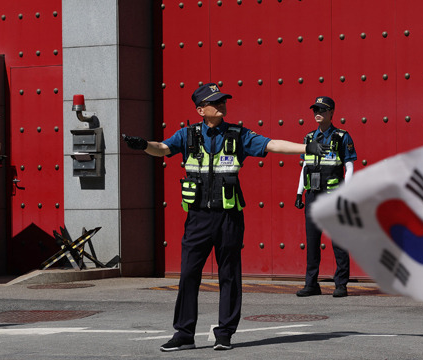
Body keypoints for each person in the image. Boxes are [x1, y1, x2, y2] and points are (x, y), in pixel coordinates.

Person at [123, 83, 328, 352]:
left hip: (229, 217)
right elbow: (162, 148)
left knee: (229, 275)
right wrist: (143, 146)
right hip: (197, 218)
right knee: (188, 276)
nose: (221, 105)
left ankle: (225, 334)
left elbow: (272, 144)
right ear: (200, 109)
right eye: (215, 102)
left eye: (223, 101)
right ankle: (184, 334)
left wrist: (306, 148)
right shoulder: (187, 135)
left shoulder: (238, 134)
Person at [294, 96, 357, 298]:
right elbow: (305, 166)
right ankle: (311, 283)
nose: (317, 113)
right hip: (313, 194)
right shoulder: (308, 138)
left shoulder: (341, 136)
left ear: (332, 113)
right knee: (312, 241)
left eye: (322, 109)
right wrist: (299, 192)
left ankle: (341, 284)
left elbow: (349, 165)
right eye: (315, 109)